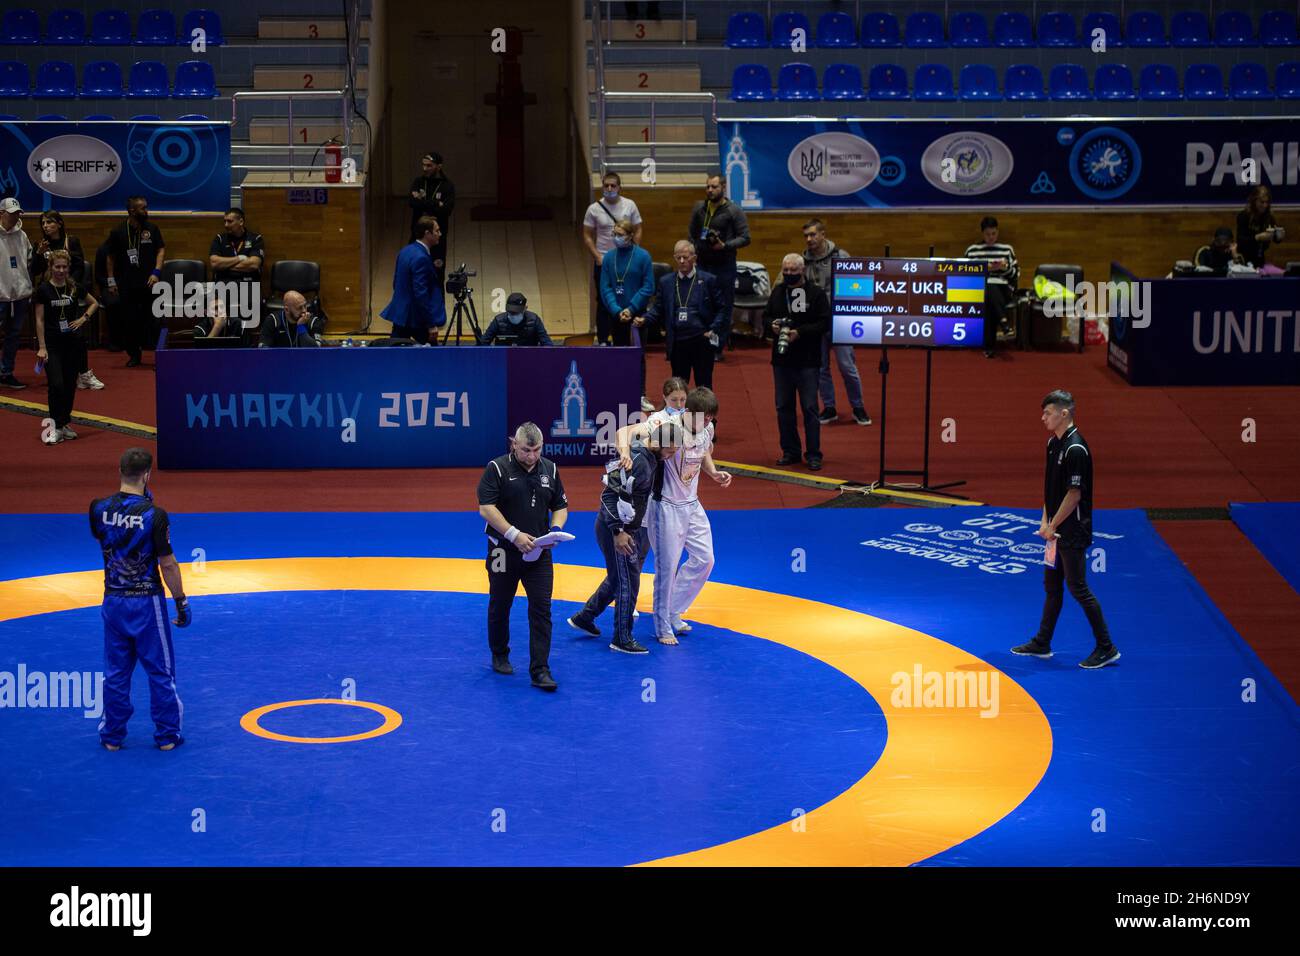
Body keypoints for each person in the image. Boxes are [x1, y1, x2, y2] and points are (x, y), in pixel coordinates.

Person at [610, 385, 729, 644]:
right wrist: (625, 453)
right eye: (703, 417)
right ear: (688, 411)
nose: (707, 422)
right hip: (665, 506)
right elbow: (623, 431)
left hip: (692, 504)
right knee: (667, 568)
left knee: (705, 559)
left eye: (711, 417)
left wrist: (713, 472)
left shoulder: (707, 428)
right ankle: (663, 625)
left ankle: (674, 610)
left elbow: (704, 451)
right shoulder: (664, 424)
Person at [90, 447, 191, 750]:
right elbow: (168, 563)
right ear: (147, 475)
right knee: (160, 671)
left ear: (119, 471)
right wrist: (181, 600)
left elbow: (107, 541)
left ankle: (112, 737)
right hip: (146, 603)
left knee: (116, 672)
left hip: (113, 601)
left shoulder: (97, 509)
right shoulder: (154, 515)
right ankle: (167, 737)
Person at [1012, 390, 1120, 670]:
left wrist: (1053, 525)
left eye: (1047, 413)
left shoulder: (1076, 449)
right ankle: (1043, 641)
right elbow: (1051, 490)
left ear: (1064, 413)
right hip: (1055, 531)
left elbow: (1074, 495)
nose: (1043, 417)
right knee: (1052, 587)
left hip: (1072, 532)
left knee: (1078, 587)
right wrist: (1044, 522)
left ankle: (1106, 647)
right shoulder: (1052, 444)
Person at [567, 418, 684, 654]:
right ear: (659, 443)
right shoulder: (638, 461)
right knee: (627, 582)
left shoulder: (651, 458)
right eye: (670, 451)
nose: (671, 456)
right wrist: (618, 532)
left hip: (624, 527)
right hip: (616, 530)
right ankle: (621, 637)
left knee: (619, 578)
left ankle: (584, 617)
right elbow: (610, 496)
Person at [477, 422, 570, 690]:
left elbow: (561, 507)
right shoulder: (496, 469)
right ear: (513, 444)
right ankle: (500, 652)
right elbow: (486, 509)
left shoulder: (550, 469)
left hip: (538, 551)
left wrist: (555, 530)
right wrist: (514, 535)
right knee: (500, 603)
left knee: (542, 609)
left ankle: (540, 669)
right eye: (526, 450)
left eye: (536, 450)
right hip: (502, 551)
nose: (531, 456)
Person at [802, 219, 869, 426]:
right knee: (821, 368)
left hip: (840, 321)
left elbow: (856, 288)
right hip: (817, 323)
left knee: (847, 366)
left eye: (813, 235)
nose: (809, 239)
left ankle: (858, 407)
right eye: (806, 236)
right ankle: (829, 407)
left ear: (823, 234)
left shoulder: (842, 257)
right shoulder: (803, 261)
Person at [767, 253, 830, 471]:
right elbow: (766, 317)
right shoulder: (778, 292)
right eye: (786, 270)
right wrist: (773, 327)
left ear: (802, 270)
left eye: (793, 271)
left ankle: (813, 454)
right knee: (783, 407)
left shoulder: (816, 293)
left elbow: (824, 322)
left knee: (810, 407)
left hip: (808, 361)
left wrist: (800, 332)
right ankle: (790, 451)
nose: (789, 274)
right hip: (782, 361)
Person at [30, 211, 101, 390]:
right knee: (52, 332)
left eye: (50, 222)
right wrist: (38, 255)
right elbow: (35, 271)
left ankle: (83, 374)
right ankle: (56, 370)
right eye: (43, 223)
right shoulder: (40, 244)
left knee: (76, 334)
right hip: (48, 292)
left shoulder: (71, 241)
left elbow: (78, 267)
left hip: (69, 292)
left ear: (59, 224)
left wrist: (70, 288)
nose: (46, 226)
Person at [34, 250, 100, 444]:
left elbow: (94, 303)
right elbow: (39, 320)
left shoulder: (73, 288)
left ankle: (64, 423)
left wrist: (83, 318)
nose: (61, 270)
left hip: (72, 344)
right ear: (51, 267)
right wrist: (42, 347)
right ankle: (54, 425)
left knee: (70, 385)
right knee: (56, 385)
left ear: (68, 268)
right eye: (57, 267)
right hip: (52, 345)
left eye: (64, 267)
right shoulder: (44, 290)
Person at [643, 240, 725, 389]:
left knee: (704, 387)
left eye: (685, 257)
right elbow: (658, 309)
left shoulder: (708, 280)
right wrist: (643, 319)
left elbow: (722, 308)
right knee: (679, 388)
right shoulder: (666, 282)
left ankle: (703, 414)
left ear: (694, 258)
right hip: (678, 342)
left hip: (702, 340)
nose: (682, 261)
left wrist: (713, 328)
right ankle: (680, 413)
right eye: (678, 257)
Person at [687, 172, 750, 359]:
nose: (710, 190)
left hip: (724, 266)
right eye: (707, 187)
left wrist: (725, 245)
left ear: (723, 187)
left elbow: (746, 238)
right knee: (700, 304)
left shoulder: (734, 210)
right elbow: (691, 233)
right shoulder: (699, 208)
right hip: (702, 264)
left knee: (723, 306)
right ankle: (700, 343)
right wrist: (694, 251)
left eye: (714, 187)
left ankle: (716, 347)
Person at [598, 217, 655, 408]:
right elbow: (605, 287)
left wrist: (630, 308)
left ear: (630, 236)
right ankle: (620, 391)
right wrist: (616, 310)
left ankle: (640, 394)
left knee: (638, 355)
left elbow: (648, 287)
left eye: (620, 235)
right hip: (616, 315)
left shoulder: (643, 256)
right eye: (614, 234)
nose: (616, 237)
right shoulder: (608, 257)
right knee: (618, 354)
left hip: (637, 315)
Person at [583, 171, 643, 345]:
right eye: (606, 185)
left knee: (625, 298)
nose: (609, 189)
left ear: (619, 187)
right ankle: (602, 339)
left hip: (626, 261)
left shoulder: (629, 205)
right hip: (604, 261)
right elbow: (587, 235)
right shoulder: (593, 209)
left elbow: (638, 228)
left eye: (613, 186)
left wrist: (635, 251)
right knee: (603, 301)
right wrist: (597, 256)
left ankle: (626, 338)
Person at [105, 196, 165, 367]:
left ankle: (156, 354)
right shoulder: (118, 231)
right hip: (127, 283)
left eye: (146, 207)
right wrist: (111, 280)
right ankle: (134, 354)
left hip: (149, 282)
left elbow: (161, 249)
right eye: (143, 208)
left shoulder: (152, 229)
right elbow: (110, 257)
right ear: (132, 211)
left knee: (152, 319)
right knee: (130, 321)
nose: (146, 211)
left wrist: (156, 271)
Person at [380, 215, 445, 343]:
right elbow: (421, 293)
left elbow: (395, 283)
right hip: (416, 318)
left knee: (394, 354)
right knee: (433, 356)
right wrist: (431, 324)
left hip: (400, 315)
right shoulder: (421, 258)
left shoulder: (405, 251)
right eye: (437, 231)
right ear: (427, 233)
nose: (440, 234)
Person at [963, 216, 1018, 358]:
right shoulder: (972, 251)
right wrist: (985, 269)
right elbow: (965, 274)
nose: (991, 237)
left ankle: (988, 346)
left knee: (990, 290)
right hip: (980, 289)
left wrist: (1003, 268)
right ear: (983, 233)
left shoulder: (1007, 250)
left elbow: (1015, 274)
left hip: (1003, 289)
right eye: (988, 234)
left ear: (997, 232)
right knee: (988, 289)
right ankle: (1004, 323)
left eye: (994, 233)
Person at [0, 196, 33, 389]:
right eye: (11, 214)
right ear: (1, 214)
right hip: (1, 296)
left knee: (13, 337)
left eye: (17, 214)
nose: (14, 218)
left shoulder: (23, 236)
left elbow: (28, 263)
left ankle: (6, 372)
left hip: (19, 296)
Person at [408, 152, 455, 274]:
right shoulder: (418, 182)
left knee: (437, 275)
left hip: (437, 240)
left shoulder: (447, 186)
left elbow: (446, 210)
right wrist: (436, 204)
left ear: (438, 167)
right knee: (414, 272)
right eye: (423, 165)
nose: (425, 169)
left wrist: (422, 201)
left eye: (429, 166)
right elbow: (412, 203)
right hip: (417, 237)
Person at [1236, 185, 1285, 267]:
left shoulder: (1269, 216)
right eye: (1262, 202)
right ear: (1254, 201)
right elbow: (1241, 241)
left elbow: (1273, 237)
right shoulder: (1244, 216)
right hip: (1244, 259)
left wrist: (1278, 237)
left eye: (1267, 202)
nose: (1265, 205)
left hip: (1260, 257)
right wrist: (1257, 237)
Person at [481, 292, 553, 345]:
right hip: (503, 359)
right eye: (510, 312)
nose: (513, 315)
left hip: (529, 359)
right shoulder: (498, 321)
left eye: (516, 313)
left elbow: (547, 344)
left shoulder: (534, 320)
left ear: (525, 308)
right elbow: (483, 343)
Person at [258, 291, 323, 347]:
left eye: (305, 306)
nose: (304, 311)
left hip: (305, 360)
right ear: (287, 310)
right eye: (299, 308)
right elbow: (263, 349)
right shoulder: (273, 320)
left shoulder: (314, 321)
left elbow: (315, 350)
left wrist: (301, 327)